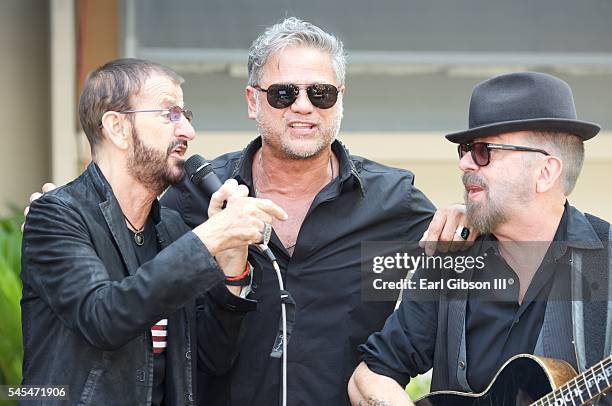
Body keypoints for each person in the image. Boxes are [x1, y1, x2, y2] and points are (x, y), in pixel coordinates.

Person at [159, 18, 471, 405]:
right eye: (283, 94)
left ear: (340, 99)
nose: (303, 107)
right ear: (253, 101)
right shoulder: (195, 195)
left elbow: (485, 277)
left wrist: (470, 218)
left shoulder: (393, 201)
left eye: (320, 93)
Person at [20, 58, 287, 405]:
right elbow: (104, 317)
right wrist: (211, 236)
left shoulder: (170, 228)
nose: (187, 131)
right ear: (117, 127)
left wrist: (232, 262)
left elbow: (210, 358)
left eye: (185, 115)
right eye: (169, 114)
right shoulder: (57, 214)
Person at [349, 72, 612, 405]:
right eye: (465, 150)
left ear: (545, 172)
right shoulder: (450, 260)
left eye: (483, 151)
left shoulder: (606, 262)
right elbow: (369, 377)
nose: (464, 163)